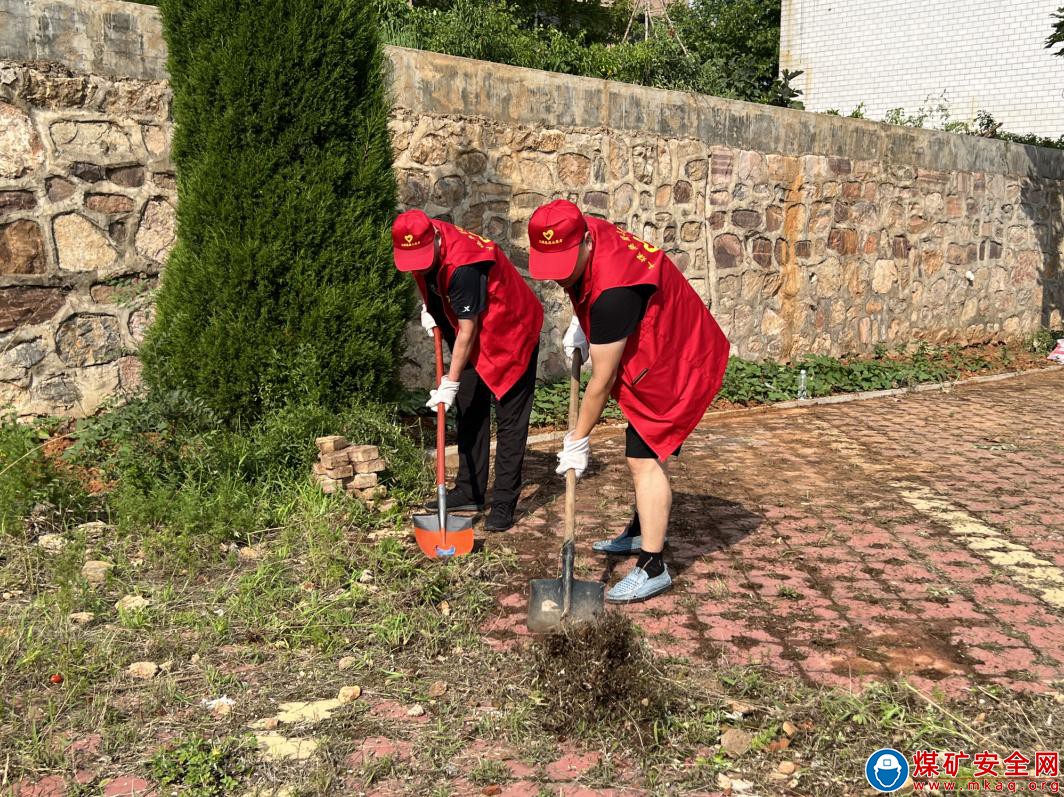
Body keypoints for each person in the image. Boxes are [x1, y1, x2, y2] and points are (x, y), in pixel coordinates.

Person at [526, 199, 729, 602]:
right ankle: (640, 531)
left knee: (644, 458)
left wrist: (578, 439)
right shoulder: (589, 234)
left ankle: (653, 566)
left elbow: (602, 379)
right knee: (639, 449)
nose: (560, 279)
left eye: (566, 267)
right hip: (658, 343)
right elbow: (587, 285)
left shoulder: (613, 294)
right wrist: (581, 323)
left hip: (676, 361)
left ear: (585, 241)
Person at [392, 209, 544, 531]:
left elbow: (468, 329)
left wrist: (450, 379)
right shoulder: (422, 245)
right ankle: (470, 489)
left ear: (434, 237)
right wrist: (431, 307)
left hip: (510, 334)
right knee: (470, 408)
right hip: (473, 334)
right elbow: (428, 277)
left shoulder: (463, 266)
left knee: (509, 421)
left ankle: (503, 503)